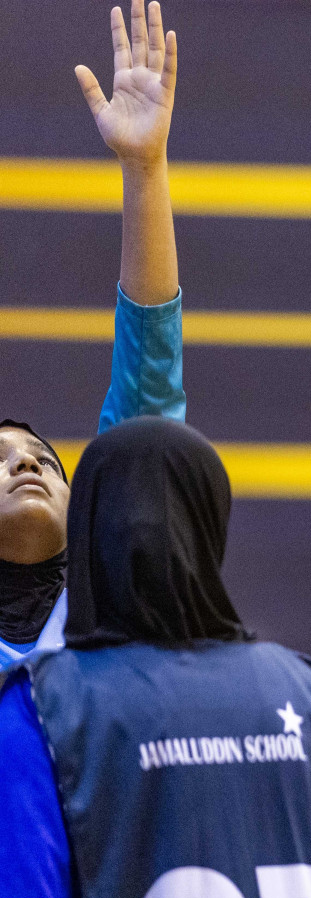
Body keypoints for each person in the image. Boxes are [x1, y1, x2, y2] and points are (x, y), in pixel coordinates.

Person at [0, 418, 311, 898]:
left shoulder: (41, 703)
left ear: (87, 535)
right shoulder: (304, 690)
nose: (29, 466)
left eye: (47, 460)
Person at [0, 0, 187, 670]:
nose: (26, 463)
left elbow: (149, 377)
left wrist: (145, 167)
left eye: (46, 460)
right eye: (1, 460)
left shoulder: (118, 610)